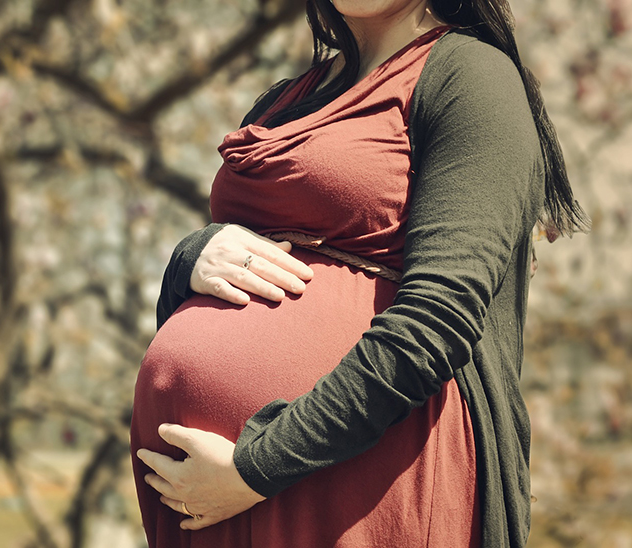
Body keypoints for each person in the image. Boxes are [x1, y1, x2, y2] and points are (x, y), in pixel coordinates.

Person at [130, 0, 587, 547]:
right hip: (212, 492)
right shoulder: (286, 99)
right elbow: (235, 261)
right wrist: (191, 257)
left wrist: (258, 467)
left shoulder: (472, 77)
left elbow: (439, 319)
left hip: (351, 475)